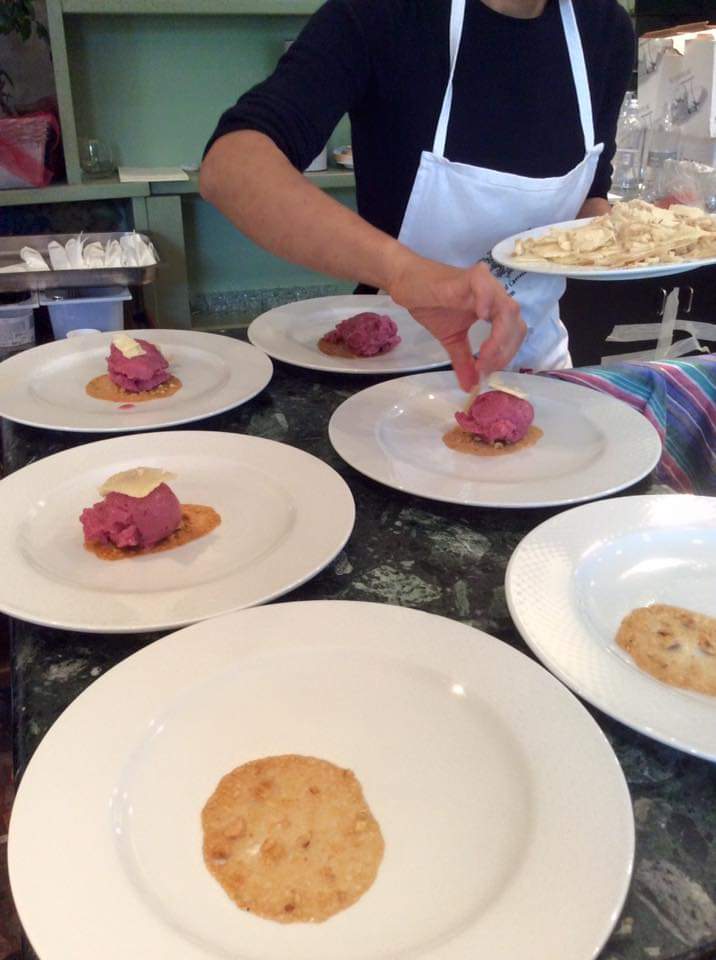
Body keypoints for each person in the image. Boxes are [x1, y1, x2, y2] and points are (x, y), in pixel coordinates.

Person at [200, 0, 634, 390]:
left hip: (540, 371)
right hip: (394, 374)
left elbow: (590, 193)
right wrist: (408, 272)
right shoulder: (384, 15)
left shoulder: (605, 29)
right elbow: (232, 166)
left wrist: (629, 237)